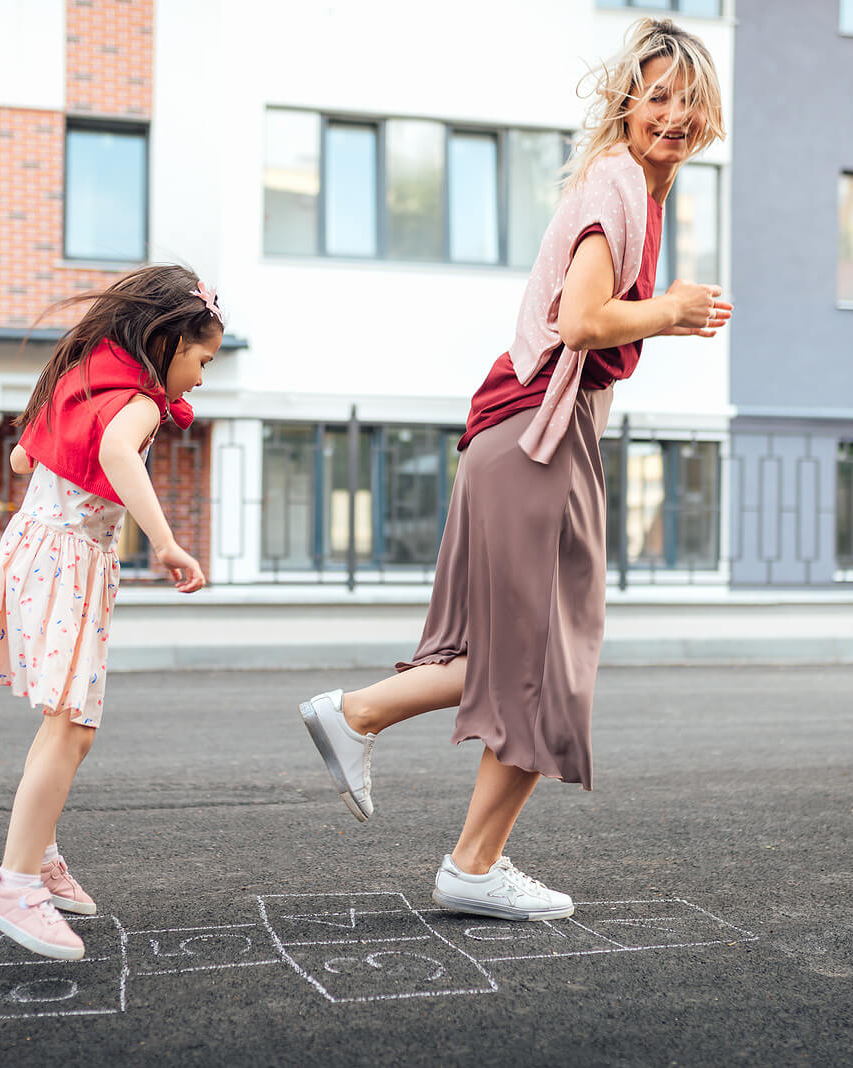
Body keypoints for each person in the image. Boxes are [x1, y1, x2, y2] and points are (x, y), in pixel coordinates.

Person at [297, 18, 730, 922]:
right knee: (542, 661)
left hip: (520, 436)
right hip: (537, 434)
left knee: (517, 654)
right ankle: (461, 850)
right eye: (658, 97)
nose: (675, 116)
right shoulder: (617, 180)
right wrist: (671, 310)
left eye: (689, 102)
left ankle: (369, 728)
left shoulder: (630, 193)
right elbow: (580, 323)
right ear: (626, 104)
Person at [0, 264, 220, 960]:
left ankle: (36, 853)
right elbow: (112, 452)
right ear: (166, 342)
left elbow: (19, 460)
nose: (201, 376)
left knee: (64, 719)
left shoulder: (83, 381)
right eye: (200, 359)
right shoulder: (135, 401)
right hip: (70, 558)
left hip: (36, 552)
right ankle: (13, 883)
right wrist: (164, 542)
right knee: (73, 724)